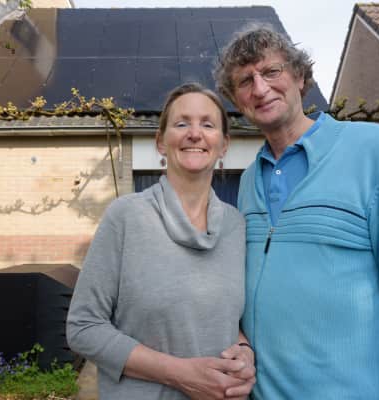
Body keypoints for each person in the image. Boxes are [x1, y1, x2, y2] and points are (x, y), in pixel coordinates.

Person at [214, 25, 379, 399]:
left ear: (300, 76)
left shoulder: (376, 151)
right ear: (235, 99)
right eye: (245, 81)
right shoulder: (248, 182)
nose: (260, 89)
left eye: (271, 71)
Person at [66, 83, 256, 400]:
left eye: (207, 124)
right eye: (181, 123)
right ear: (160, 142)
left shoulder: (237, 226)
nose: (194, 134)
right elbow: (83, 327)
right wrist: (180, 375)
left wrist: (245, 351)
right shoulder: (126, 217)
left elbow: (224, 319)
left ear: (224, 145)